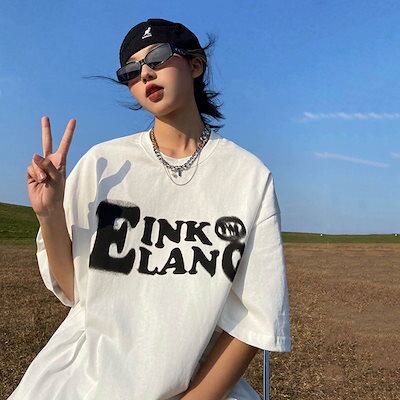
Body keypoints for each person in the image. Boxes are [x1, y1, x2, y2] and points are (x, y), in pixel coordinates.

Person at [10, 18, 291, 400]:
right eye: (130, 70)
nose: (144, 73)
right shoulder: (102, 164)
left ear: (195, 64)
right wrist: (50, 213)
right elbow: (80, 292)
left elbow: (253, 319)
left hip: (196, 384)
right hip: (83, 380)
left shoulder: (247, 177)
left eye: (157, 57)